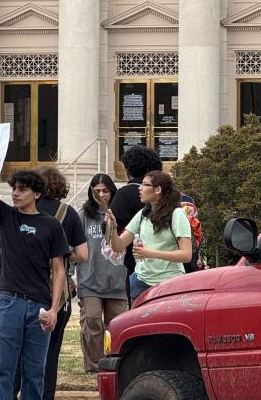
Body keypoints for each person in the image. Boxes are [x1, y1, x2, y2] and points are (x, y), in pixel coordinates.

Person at [0, 170, 68, 400]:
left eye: (22, 189)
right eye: (13, 188)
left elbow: (59, 270)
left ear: (36, 193)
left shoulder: (52, 225)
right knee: (4, 369)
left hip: (40, 306)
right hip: (8, 302)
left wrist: (55, 309)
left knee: (35, 372)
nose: (15, 193)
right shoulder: (7, 216)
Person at [23, 166, 87, 400]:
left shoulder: (24, 209)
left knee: (22, 348)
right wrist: (61, 257)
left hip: (25, 284)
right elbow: (83, 253)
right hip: (57, 292)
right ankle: (45, 394)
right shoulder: (67, 212)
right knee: (51, 350)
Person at [106, 170, 192, 303]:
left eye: (145, 185)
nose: (139, 188)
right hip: (140, 282)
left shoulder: (177, 214)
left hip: (169, 283)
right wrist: (112, 227)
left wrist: (150, 253)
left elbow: (186, 255)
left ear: (157, 189)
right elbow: (118, 246)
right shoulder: (142, 214)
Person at [76, 174, 128, 373]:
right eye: (96, 191)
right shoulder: (83, 215)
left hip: (116, 280)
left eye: (105, 191)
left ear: (112, 191)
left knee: (116, 324)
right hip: (90, 279)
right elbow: (74, 246)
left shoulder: (120, 215)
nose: (101, 195)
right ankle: (96, 366)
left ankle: (115, 365)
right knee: (92, 321)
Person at [109, 145, 162, 301]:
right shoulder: (170, 196)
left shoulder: (126, 193)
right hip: (169, 267)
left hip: (140, 267)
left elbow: (111, 227)